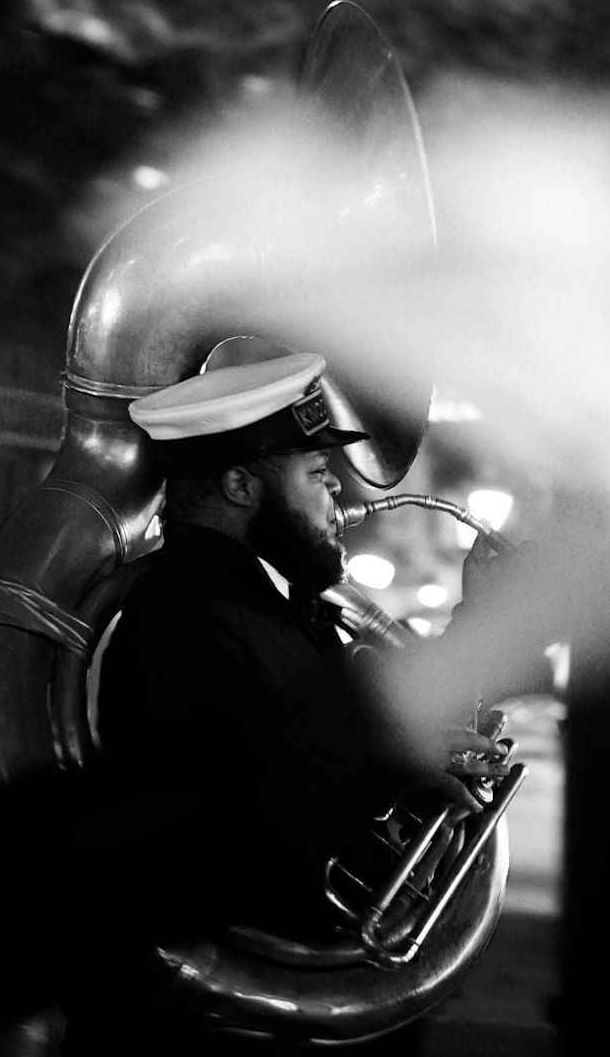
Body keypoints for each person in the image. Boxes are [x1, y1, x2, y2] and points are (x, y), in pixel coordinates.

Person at [59, 335, 511, 1057]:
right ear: (241, 487)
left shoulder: (272, 609)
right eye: (317, 473)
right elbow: (210, 829)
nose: (339, 493)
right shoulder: (188, 618)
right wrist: (389, 760)